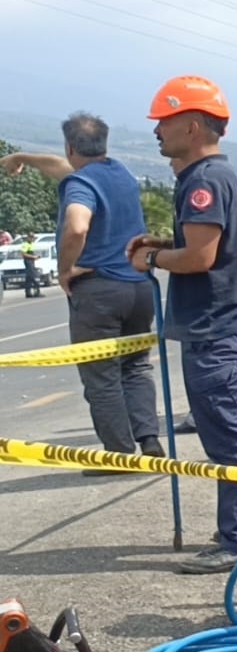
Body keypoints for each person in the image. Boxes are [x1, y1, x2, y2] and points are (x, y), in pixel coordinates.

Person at [127, 74, 237, 575]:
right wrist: (164, 249)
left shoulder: (203, 181)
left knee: (231, 437)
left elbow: (199, 257)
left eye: (164, 122)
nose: (156, 132)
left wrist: (154, 259)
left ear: (192, 126)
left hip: (216, 328)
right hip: (235, 324)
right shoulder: (228, 176)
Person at [2, 117, 162, 467]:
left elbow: (76, 226)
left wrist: (64, 269)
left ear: (70, 147)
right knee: (135, 368)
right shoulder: (119, 173)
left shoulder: (80, 184)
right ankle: (149, 439)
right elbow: (62, 168)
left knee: (101, 376)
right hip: (138, 287)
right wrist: (24, 158)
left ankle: (119, 454)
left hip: (100, 289)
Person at [20, 233, 41, 298]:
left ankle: (28, 293)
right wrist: (33, 257)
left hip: (32, 262)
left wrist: (36, 256)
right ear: (28, 237)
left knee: (28, 278)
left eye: (32, 237)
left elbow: (31, 253)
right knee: (34, 276)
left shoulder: (31, 244)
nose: (32, 239)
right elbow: (23, 254)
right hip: (28, 262)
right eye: (30, 237)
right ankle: (37, 291)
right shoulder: (25, 244)